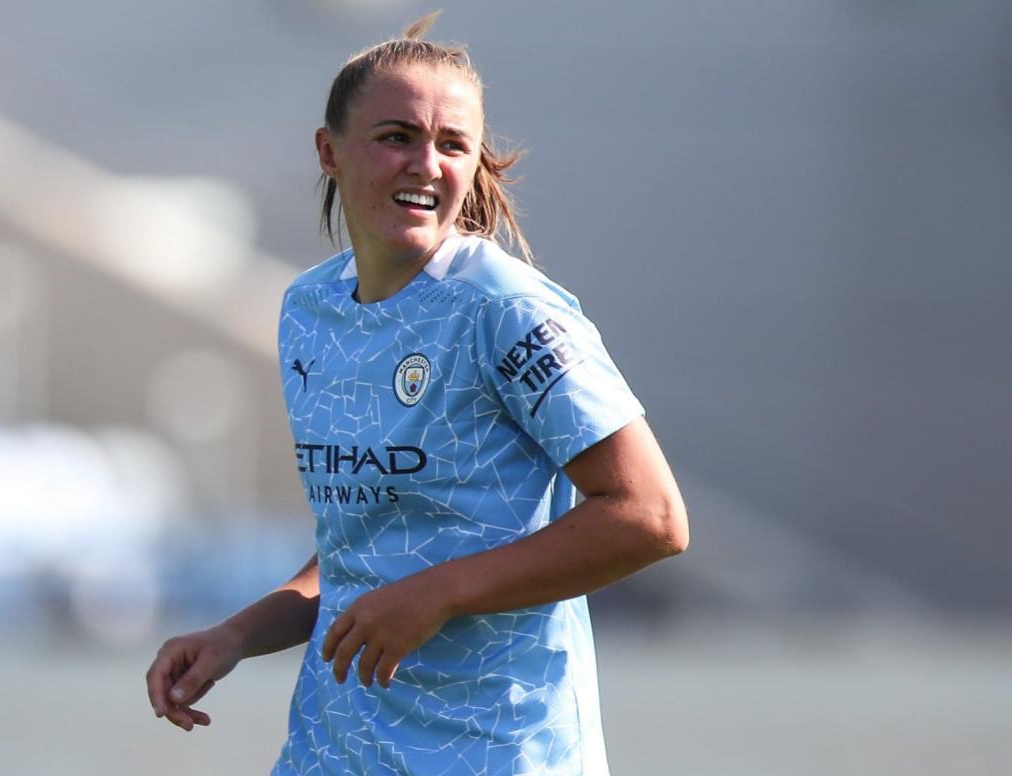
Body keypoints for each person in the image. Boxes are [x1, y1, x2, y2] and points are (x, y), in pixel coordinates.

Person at [147, 13, 688, 775]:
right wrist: (235, 636)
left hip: (498, 753)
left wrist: (440, 594)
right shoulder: (310, 310)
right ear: (328, 152)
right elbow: (361, 551)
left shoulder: (507, 310)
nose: (425, 164)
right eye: (397, 136)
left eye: (452, 144)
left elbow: (651, 515)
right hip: (335, 749)